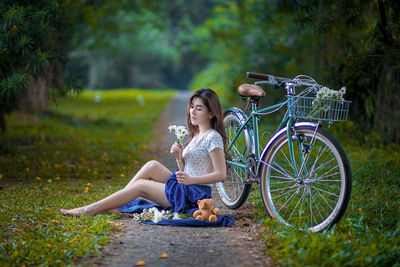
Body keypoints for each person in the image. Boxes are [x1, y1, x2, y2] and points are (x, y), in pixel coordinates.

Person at [59, 88, 227, 217]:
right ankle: (117, 204)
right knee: (152, 165)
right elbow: (188, 169)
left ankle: (90, 209)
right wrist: (178, 157)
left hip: (194, 195)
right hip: (185, 186)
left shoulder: (213, 137)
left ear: (211, 113)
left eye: (199, 109)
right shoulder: (197, 135)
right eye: (192, 107)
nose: (192, 112)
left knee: (141, 186)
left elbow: (221, 174)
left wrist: (191, 180)